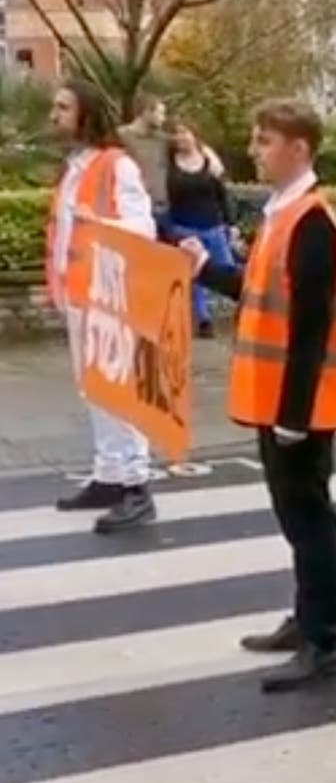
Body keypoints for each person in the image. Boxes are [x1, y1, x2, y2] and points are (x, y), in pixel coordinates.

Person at [180, 99, 336, 693]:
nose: (254, 150)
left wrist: (295, 416)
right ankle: (306, 619)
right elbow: (256, 291)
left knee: (310, 519)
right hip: (274, 398)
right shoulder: (281, 213)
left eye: (264, 141)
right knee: (296, 516)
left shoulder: (310, 221)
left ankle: (323, 639)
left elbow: (311, 328)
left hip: (298, 404)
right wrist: (204, 265)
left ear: (299, 148)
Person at [48, 78, 158, 534]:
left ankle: (136, 487)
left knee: (118, 391)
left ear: (86, 113)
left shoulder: (117, 165)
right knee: (95, 391)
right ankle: (109, 474)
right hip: (81, 295)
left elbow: (143, 225)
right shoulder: (77, 164)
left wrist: (103, 225)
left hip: (110, 297)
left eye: (62, 107)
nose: (54, 114)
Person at [165, 119, 237, 339]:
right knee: (195, 276)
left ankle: (243, 312)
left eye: (184, 132)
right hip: (184, 227)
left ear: (194, 135)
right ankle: (204, 320)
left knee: (226, 267)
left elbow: (222, 194)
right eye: (176, 134)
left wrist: (230, 222)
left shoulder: (208, 162)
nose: (181, 138)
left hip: (212, 225)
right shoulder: (169, 164)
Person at [118, 93, 170, 235]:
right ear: (147, 112)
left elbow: (192, 145)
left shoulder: (163, 140)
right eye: (160, 113)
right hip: (135, 210)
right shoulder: (121, 137)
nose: (163, 119)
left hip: (162, 209)